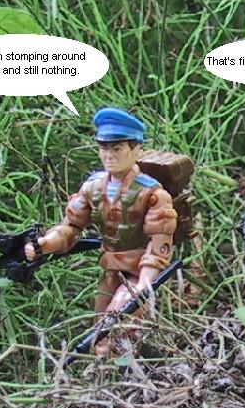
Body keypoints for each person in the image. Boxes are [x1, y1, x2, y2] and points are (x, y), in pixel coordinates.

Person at [25, 107, 177, 356]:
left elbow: (159, 241)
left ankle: (133, 367)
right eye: (104, 148)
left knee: (115, 322)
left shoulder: (151, 193)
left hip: (137, 270)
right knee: (99, 329)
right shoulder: (93, 188)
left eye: (117, 149)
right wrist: (45, 244)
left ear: (136, 150)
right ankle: (114, 368)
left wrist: (145, 282)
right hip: (110, 270)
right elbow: (71, 227)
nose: (109, 155)